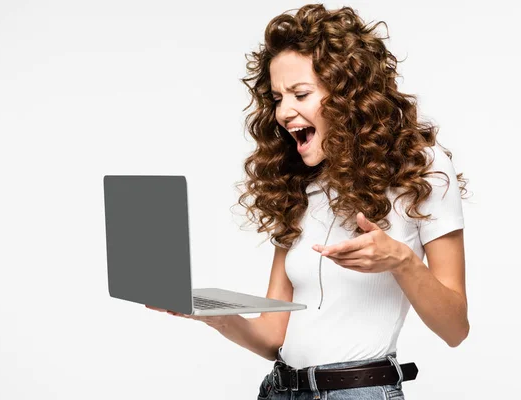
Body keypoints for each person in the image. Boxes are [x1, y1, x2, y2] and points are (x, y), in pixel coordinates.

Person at [147, 3, 469, 399]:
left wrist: (400, 260)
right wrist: (215, 314)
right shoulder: (298, 182)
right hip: (280, 390)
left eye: (300, 93)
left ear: (350, 95)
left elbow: (456, 329)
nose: (283, 112)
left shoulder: (421, 169)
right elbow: (272, 336)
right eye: (277, 97)